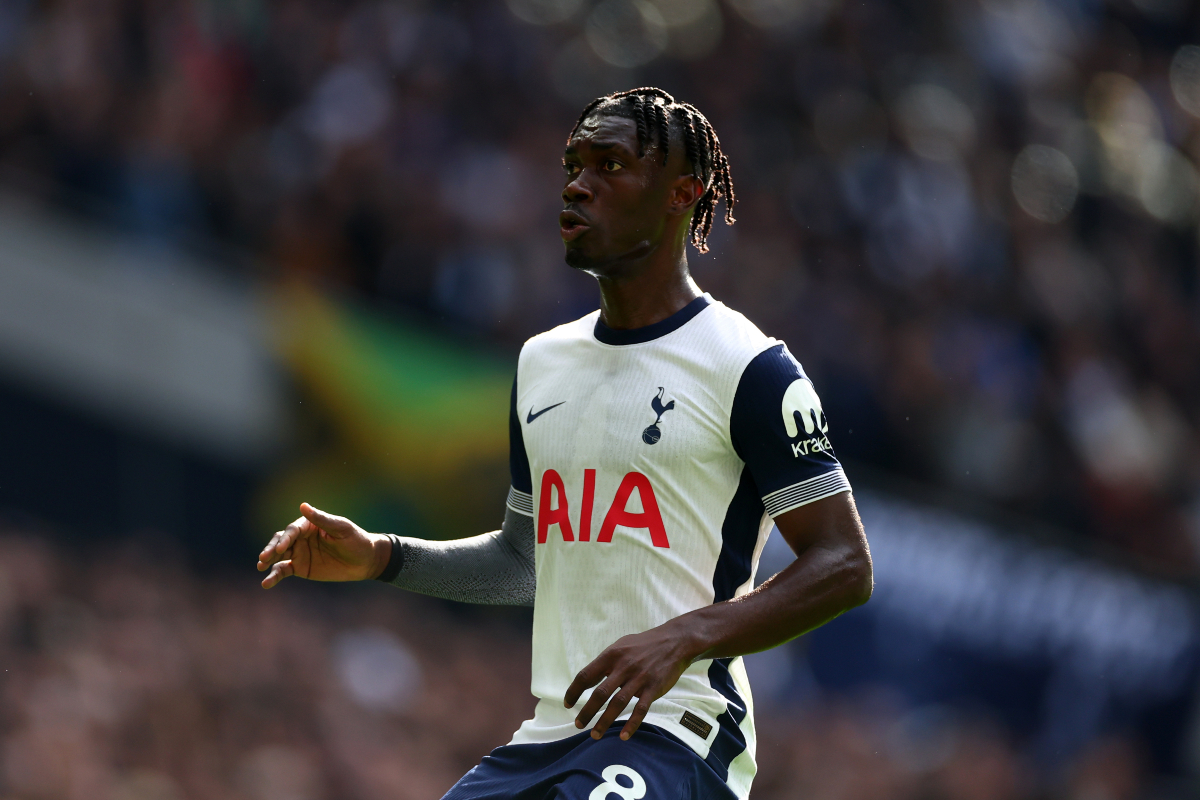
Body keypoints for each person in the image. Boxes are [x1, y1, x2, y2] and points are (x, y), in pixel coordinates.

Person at [257, 87, 872, 800]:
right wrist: (383, 557)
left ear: (681, 194)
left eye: (609, 165)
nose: (578, 184)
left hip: (677, 739)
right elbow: (525, 561)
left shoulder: (752, 369)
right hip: (551, 738)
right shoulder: (541, 362)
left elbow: (844, 564)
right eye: (574, 164)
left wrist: (688, 635)